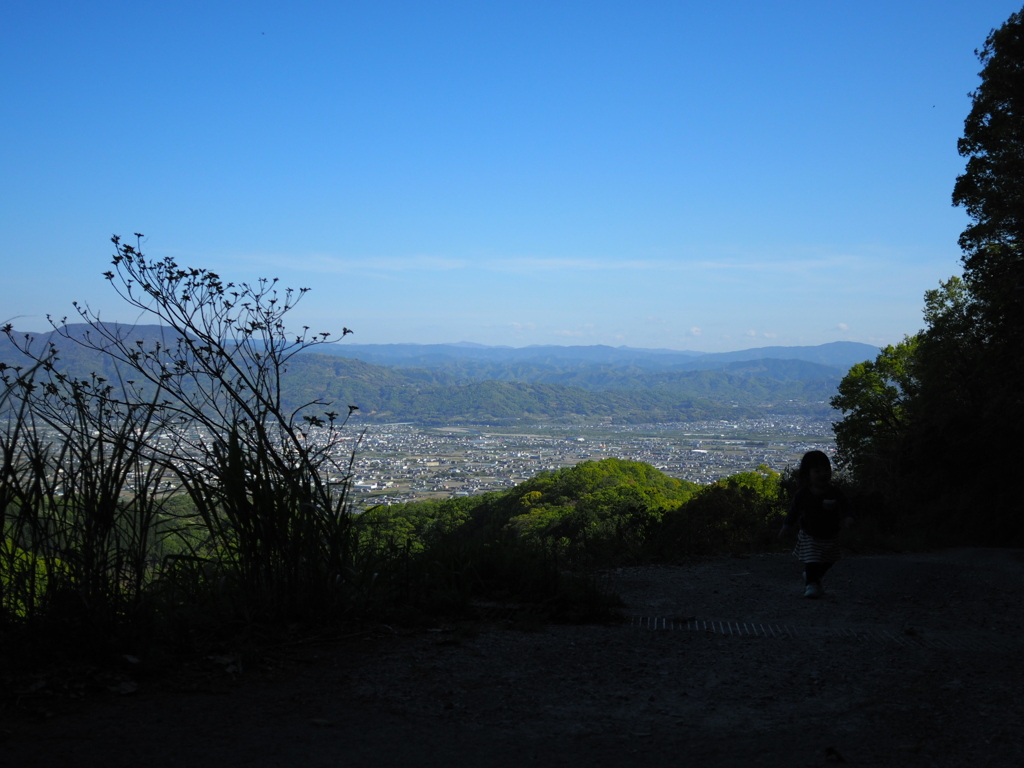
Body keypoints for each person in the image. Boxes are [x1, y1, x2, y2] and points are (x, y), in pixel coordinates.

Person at [778, 450, 854, 598]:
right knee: (812, 560)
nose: (823, 474)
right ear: (808, 474)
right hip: (809, 534)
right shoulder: (803, 494)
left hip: (831, 534)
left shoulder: (835, 492)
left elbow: (846, 507)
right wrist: (786, 526)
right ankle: (811, 585)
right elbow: (793, 512)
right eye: (817, 471)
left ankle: (812, 577)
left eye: (826, 470)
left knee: (829, 560)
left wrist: (849, 518)